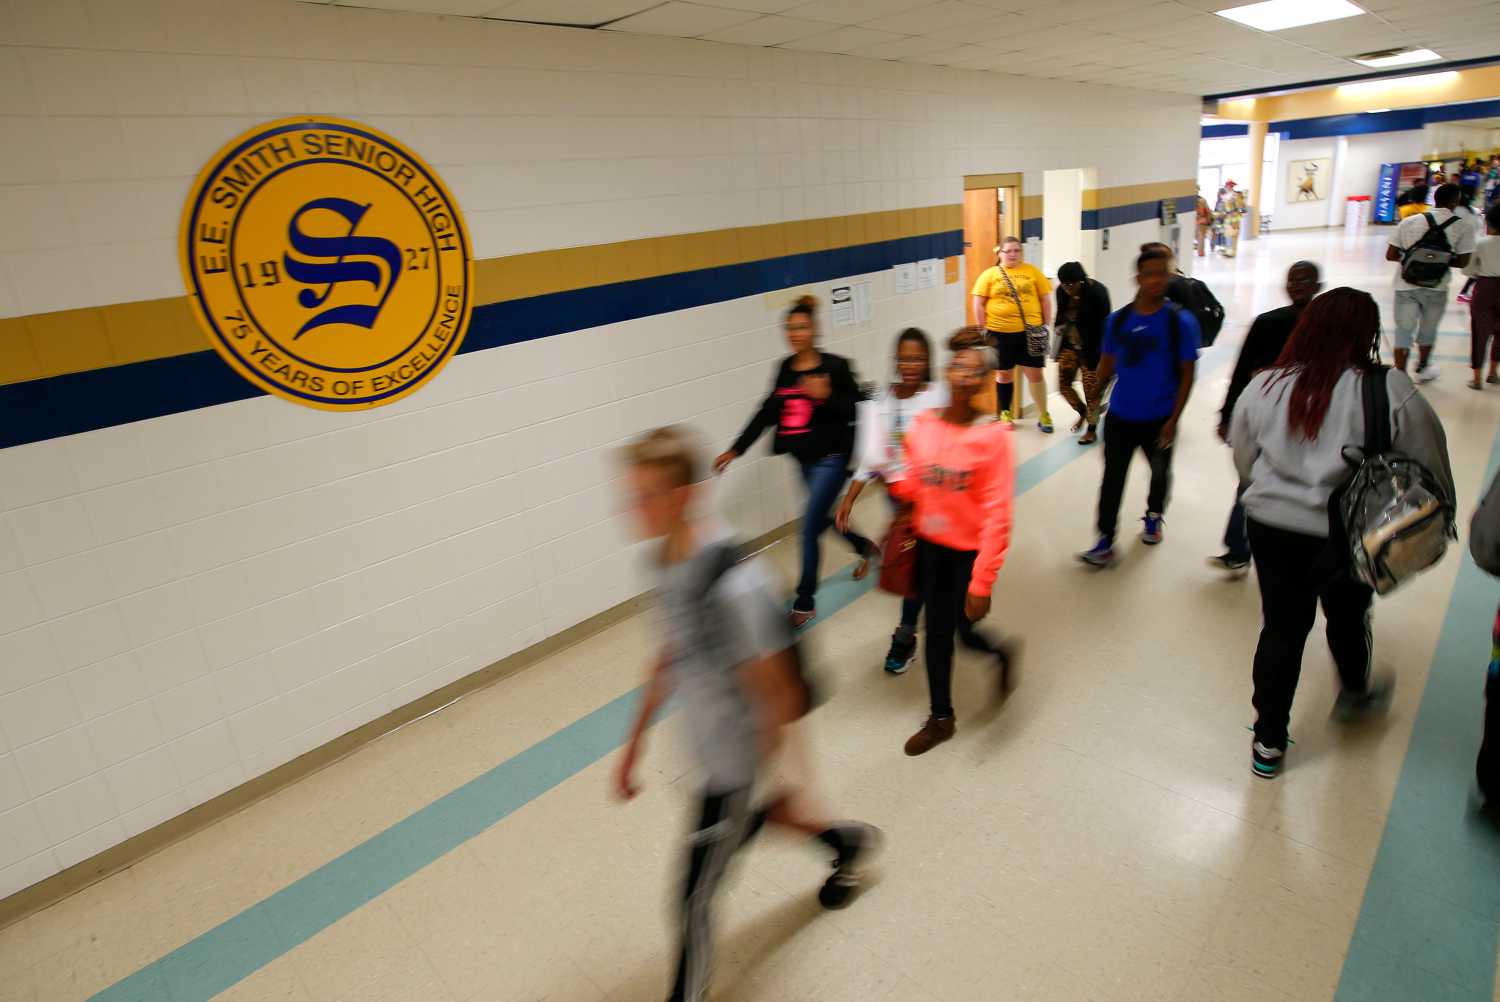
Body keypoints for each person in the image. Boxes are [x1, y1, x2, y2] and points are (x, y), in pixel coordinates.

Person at [615, 426, 881, 1002]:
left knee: (692, 897)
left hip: (735, 762)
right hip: (708, 750)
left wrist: (793, 780)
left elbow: (779, 694)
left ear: (684, 495)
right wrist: (632, 745)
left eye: (646, 496)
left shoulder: (735, 585)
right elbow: (670, 653)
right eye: (629, 496)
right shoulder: (659, 564)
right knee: (764, 823)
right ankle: (850, 843)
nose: (632, 509)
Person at [1231, 287, 1454, 779]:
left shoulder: (1265, 386)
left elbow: (1244, 458)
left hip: (1270, 528)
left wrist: (1269, 490)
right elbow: (1429, 463)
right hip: (1347, 534)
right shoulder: (1389, 389)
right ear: (1367, 333)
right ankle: (1354, 693)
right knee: (1349, 614)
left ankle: (1268, 741)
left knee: (1282, 628)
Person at [885, 330, 1015, 756]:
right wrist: (891, 475)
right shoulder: (925, 425)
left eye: (973, 371)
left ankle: (1000, 653)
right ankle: (941, 717)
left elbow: (998, 514)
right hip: (929, 547)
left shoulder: (993, 438)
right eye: (957, 367)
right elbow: (912, 479)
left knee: (965, 633)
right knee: (937, 633)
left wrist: (982, 581)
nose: (963, 376)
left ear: (983, 381)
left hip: (966, 554)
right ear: (947, 373)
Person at [716, 296, 874, 628]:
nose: (795, 333)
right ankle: (866, 548)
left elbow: (858, 406)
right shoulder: (785, 369)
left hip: (833, 459)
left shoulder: (835, 367)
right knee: (820, 519)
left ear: (814, 330)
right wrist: (736, 449)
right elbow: (768, 412)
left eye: (802, 327)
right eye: (790, 328)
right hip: (803, 461)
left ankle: (805, 600)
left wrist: (826, 396)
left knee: (808, 528)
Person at [1078, 247, 1200, 567]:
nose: (1157, 280)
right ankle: (1105, 539)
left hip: (1160, 418)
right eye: (1150, 274)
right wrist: (1091, 405)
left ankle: (1153, 515)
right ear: (1138, 278)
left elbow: (1188, 373)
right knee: (1112, 479)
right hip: (1121, 416)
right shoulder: (1118, 321)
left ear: (1170, 276)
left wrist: (1174, 419)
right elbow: (1106, 364)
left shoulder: (1179, 322)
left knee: (1160, 473)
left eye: (1163, 273)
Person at [836, 328, 948, 673]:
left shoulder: (938, 396)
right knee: (916, 565)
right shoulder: (885, 401)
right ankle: (908, 633)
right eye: (903, 357)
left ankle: (913, 627)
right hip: (899, 499)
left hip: (935, 497)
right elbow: (872, 456)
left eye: (916, 357)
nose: (909, 364)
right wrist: (849, 499)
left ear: (927, 360)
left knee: (929, 565)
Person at [1209, 261, 1323, 573]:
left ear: (1318, 287)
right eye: (1293, 280)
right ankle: (1238, 547)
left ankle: (1292, 551)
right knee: (1250, 481)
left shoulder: (1327, 327)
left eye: (1305, 280)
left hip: (1312, 423)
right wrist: (1227, 413)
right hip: (1268, 420)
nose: (1298, 285)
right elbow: (1242, 371)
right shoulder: (1268, 323)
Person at [1386, 183, 1476, 383]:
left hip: (1405, 285)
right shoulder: (1462, 226)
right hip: (1437, 286)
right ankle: (1422, 368)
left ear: (1434, 199)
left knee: (1403, 330)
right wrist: (1439, 259)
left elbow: (1390, 254)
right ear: (1455, 201)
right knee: (1428, 329)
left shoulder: (1409, 222)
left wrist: (1412, 257)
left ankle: (1400, 374)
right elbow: (1463, 262)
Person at [971, 236, 1055, 432]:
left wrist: (1045, 324)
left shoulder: (1032, 271)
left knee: (1035, 374)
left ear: (1021, 253)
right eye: (1008, 251)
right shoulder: (990, 274)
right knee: (1004, 374)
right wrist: (982, 328)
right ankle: (1005, 413)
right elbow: (978, 302)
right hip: (999, 334)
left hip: (1030, 333)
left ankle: (1044, 414)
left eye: (1017, 250)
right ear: (999, 254)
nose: (1012, 254)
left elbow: (1045, 299)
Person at [1053, 261, 1111, 445]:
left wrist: (1105, 356)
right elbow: (1060, 315)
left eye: (1071, 284)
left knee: (1092, 392)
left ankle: (1092, 429)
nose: (1067, 288)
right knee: (1064, 387)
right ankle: (1083, 413)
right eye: (1063, 284)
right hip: (1069, 346)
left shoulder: (1097, 292)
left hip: (1092, 349)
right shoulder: (1061, 291)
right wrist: (1059, 328)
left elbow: (1105, 326)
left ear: (1081, 281)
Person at [1465, 202, 1500, 390]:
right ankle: (1493, 372)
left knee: (1479, 332)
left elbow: (1468, 270)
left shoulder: (1480, 243)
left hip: (1484, 288)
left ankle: (1477, 378)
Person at [1216, 181, 1245, 258]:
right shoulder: (1225, 196)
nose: (1227, 187)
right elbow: (1224, 208)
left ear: (1232, 187)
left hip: (1234, 218)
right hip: (1227, 218)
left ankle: (1232, 252)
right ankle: (1228, 251)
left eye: (1229, 186)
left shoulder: (1236, 195)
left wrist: (1239, 213)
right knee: (1227, 235)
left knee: (1233, 235)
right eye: (1226, 186)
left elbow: (1242, 208)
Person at [1195, 190, 1213, 257]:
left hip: (1199, 220)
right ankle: (1200, 252)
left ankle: (1200, 251)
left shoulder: (1200, 200)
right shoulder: (1202, 199)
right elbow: (1208, 211)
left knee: (1200, 236)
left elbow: (1207, 211)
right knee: (1200, 237)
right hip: (1201, 220)